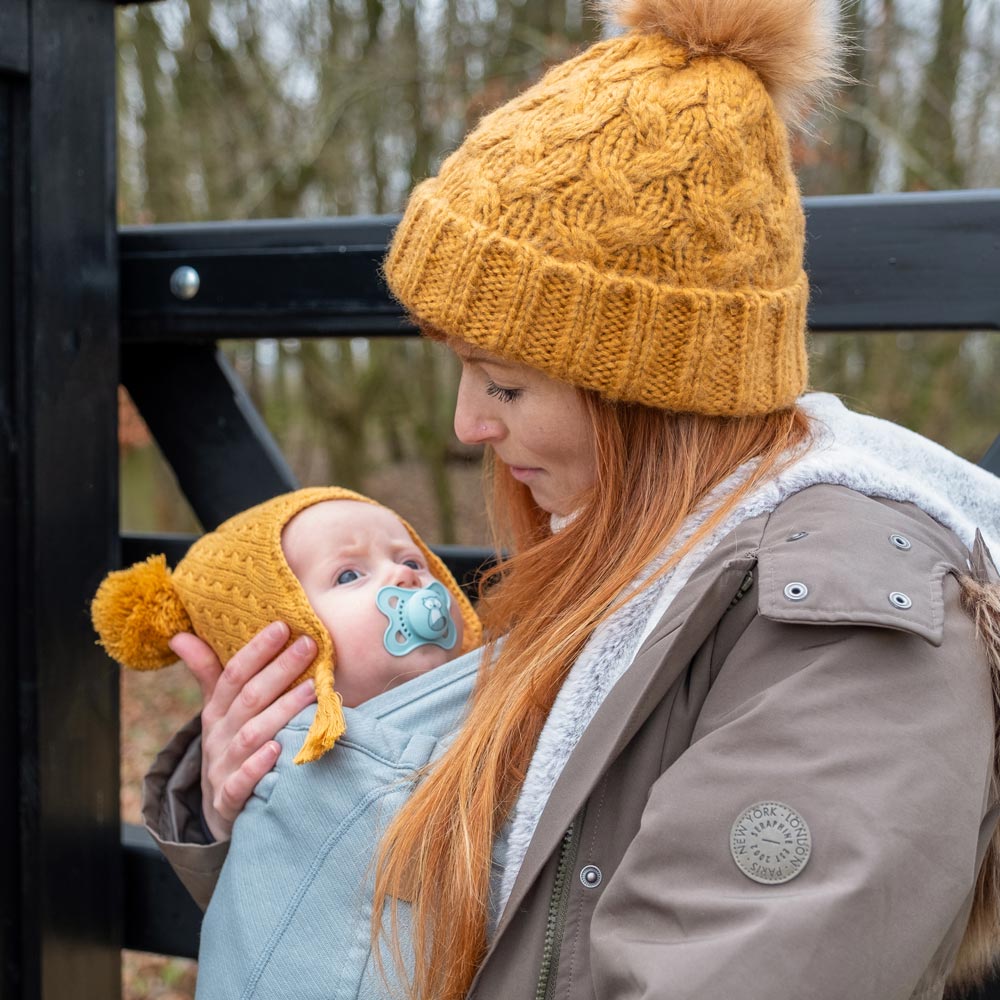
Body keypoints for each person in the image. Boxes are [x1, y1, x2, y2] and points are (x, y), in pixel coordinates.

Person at [144, 0, 1000, 997]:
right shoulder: (619, 559)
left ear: (648, 390)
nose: (469, 425)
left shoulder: (841, 639)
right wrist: (269, 797)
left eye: (502, 382)